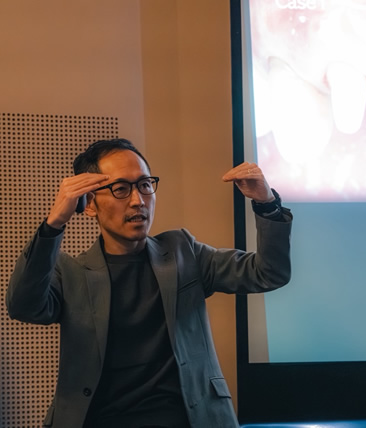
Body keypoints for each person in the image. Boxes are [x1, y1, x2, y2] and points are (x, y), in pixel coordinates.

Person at [5, 138, 292, 428]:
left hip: (186, 419)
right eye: (120, 189)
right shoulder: (71, 272)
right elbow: (23, 306)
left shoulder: (183, 252)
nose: (138, 200)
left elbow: (268, 273)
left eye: (144, 185)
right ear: (89, 204)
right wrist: (53, 224)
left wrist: (266, 204)